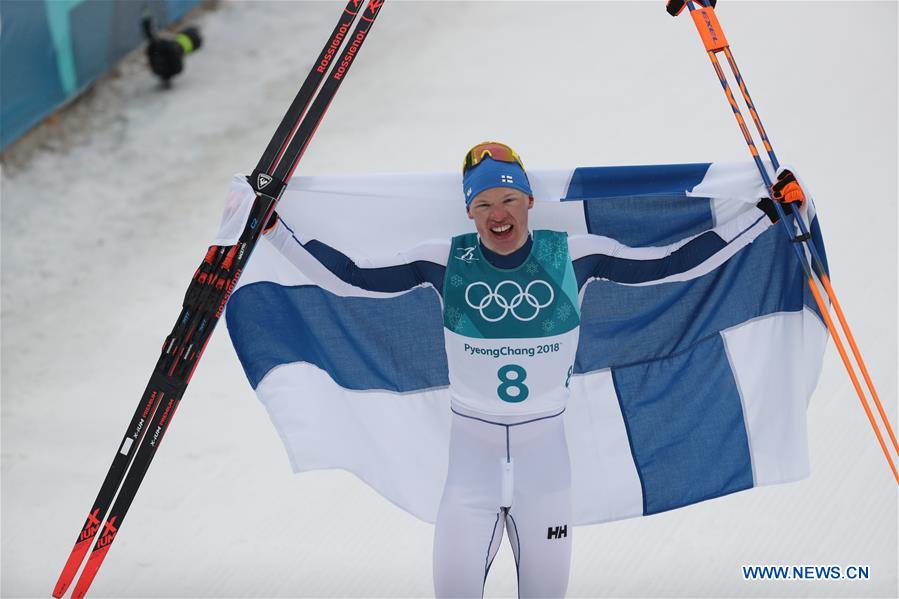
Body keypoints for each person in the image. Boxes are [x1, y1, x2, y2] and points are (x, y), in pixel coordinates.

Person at [261, 142, 804, 598]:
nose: (499, 215)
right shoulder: (443, 261)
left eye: (509, 199)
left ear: (528, 201)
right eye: (484, 204)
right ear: (469, 212)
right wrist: (274, 231)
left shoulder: (575, 255)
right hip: (468, 473)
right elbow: (352, 277)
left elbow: (673, 264)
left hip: (545, 471)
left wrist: (765, 216)